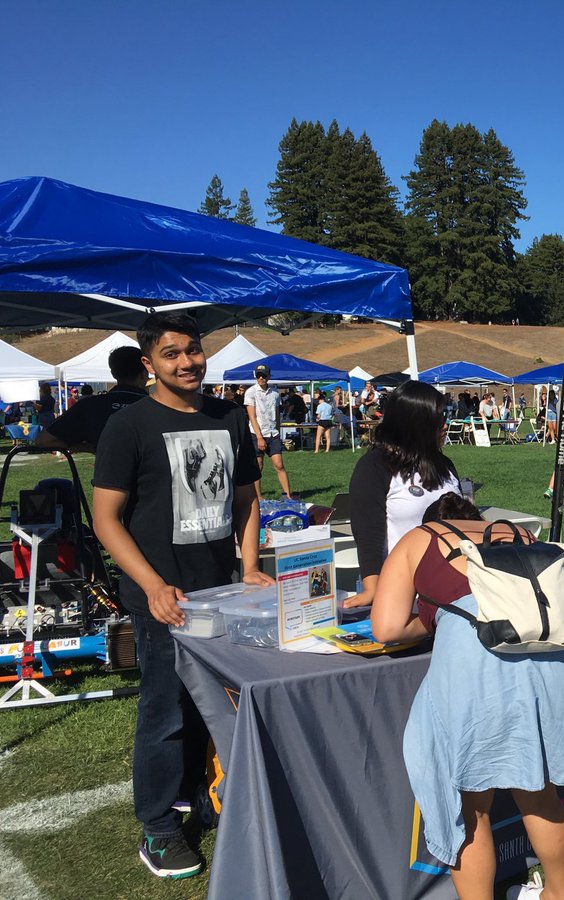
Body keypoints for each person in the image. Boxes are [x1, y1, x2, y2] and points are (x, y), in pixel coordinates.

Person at [372, 494, 564, 900]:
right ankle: (558, 894)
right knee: (538, 789)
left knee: (470, 805)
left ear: (433, 522)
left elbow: (387, 627)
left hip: (480, 667)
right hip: (556, 665)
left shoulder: (419, 538)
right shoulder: (522, 534)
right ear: (476, 520)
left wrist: (434, 618)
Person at [91, 312, 272, 880]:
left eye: (192, 351)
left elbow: (245, 498)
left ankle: (198, 788)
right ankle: (159, 824)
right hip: (163, 597)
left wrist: (248, 566)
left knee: (213, 701)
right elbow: (105, 519)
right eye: (171, 354)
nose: (186, 362)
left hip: (223, 593)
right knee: (165, 709)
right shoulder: (129, 426)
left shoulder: (227, 416)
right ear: (149, 364)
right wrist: (150, 584)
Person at [344, 381, 461, 608]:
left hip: (454, 590)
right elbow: (368, 533)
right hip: (404, 595)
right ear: (416, 424)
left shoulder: (444, 465)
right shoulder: (375, 466)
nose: (445, 426)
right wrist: (372, 589)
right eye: (438, 421)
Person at [36, 345, 148, 453]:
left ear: (113, 373)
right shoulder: (159, 407)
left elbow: (44, 440)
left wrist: (90, 448)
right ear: (144, 374)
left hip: (109, 470)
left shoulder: (90, 406)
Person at [243, 364, 292, 500]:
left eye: (263, 375)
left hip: (272, 434)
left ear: (268, 376)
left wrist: (277, 429)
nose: (261, 378)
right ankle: (258, 498)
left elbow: (276, 414)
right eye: (258, 375)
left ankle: (288, 496)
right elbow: (252, 416)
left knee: (279, 464)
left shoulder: (275, 393)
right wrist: (259, 437)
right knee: (258, 467)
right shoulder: (251, 392)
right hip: (257, 433)